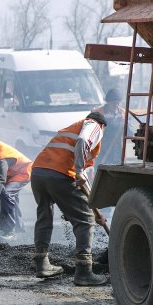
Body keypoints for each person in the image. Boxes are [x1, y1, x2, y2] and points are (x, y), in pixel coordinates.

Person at [30, 111, 109, 286]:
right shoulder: (93, 125)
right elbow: (83, 141)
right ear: (103, 126)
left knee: (44, 215)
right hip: (59, 175)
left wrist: (94, 207)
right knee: (86, 220)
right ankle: (83, 271)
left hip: (38, 173)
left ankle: (42, 263)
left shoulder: (69, 129)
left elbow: (83, 185)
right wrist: (80, 169)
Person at [92, 89, 137, 167]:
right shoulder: (98, 113)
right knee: (100, 167)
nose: (116, 105)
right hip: (102, 148)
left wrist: (134, 135)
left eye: (118, 102)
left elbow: (129, 130)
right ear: (108, 102)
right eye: (114, 103)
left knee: (118, 168)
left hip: (118, 148)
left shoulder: (123, 113)